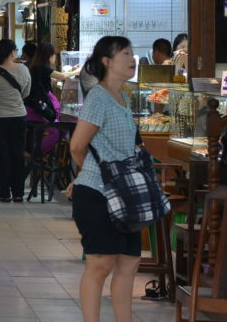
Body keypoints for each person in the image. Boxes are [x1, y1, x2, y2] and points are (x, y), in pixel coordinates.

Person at [67, 36, 141, 321]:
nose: (132, 58)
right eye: (125, 53)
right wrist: (93, 173)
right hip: (97, 195)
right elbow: (77, 146)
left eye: (132, 53)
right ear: (107, 61)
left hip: (124, 194)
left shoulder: (124, 97)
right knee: (100, 263)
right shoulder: (98, 96)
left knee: (129, 262)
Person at [0, 39, 30, 203]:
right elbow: (26, 93)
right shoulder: (23, 69)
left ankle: (2, 192)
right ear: (13, 52)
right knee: (17, 154)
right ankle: (18, 193)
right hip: (19, 116)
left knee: (2, 156)